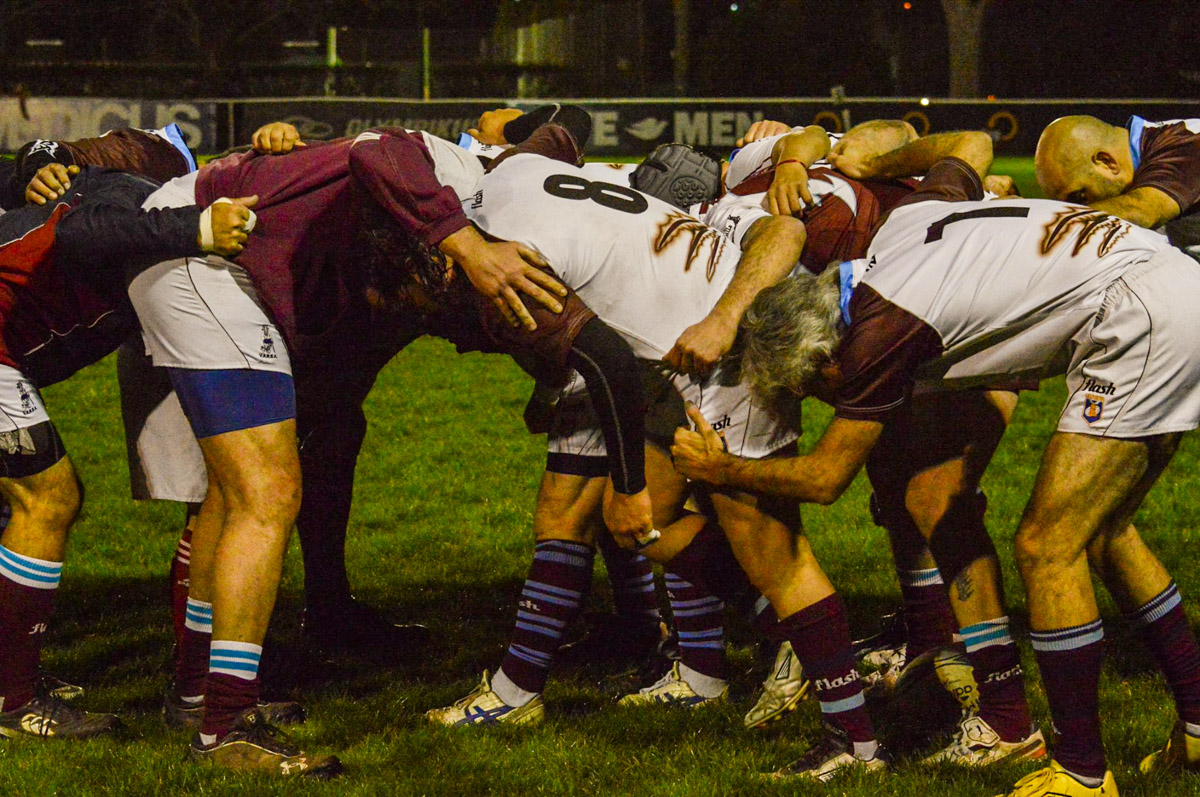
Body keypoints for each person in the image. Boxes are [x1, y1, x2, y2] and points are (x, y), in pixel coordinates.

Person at [673, 153, 1200, 797]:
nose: (826, 403)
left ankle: (1083, 774)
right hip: (1169, 277)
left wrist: (718, 466)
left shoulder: (874, 337)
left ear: (825, 360)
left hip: (1140, 315)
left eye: (816, 392)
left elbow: (825, 479)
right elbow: (957, 158)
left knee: (1046, 545)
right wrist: (872, 156)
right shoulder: (906, 224)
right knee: (1107, 532)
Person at [418, 125, 886, 783]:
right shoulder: (521, 182)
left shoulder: (499, 234)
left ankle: (854, 738)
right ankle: (780, 638)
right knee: (634, 519)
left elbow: (785, 234)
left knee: (777, 556)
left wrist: (725, 318)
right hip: (672, 360)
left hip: (734, 358)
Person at [0, 166, 251, 739]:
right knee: (48, 499)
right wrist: (200, 229)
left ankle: (9, 674)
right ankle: (10, 704)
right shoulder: (137, 202)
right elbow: (79, 231)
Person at [1034, 115, 1200, 258]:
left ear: (1106, 162)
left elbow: (1141, 210)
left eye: (1079, 198)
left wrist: (1038, 224)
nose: (1082, 208)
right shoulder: (1158, 148)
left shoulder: (1187, 142)